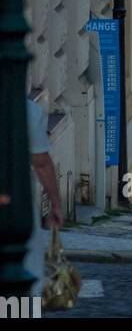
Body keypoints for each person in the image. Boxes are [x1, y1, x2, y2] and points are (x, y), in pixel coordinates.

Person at [26, 98, 63, 296]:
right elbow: (41, 163)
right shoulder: (28, 111)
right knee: (24, 277)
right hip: (18, 210)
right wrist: (56, 205)